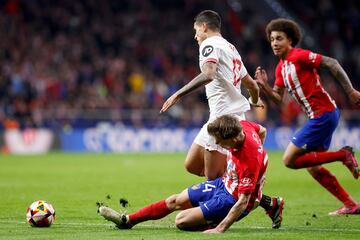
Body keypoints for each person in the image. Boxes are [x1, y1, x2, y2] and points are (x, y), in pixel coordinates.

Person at [98, 115, 284, 232]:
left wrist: (219, 230)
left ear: (234, 139)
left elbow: (243, 202)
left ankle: (213, 221)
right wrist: (260, 162)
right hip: (223, 183)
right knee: (175, 201)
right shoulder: (243, 126)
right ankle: (128, 221)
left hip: (232, 199)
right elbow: (263, 130)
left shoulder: (249, 159)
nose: (218, 145)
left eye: (221, 142)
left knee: (181, 221)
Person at [255, 18, 360, 215]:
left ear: (290, 40)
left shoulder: (299, 56)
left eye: (279, 38)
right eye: (272, 39)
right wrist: (264, 86)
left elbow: (332, 63)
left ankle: (343, 155)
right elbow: (279, 100)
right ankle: (350, 204)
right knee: (314, 167)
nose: (275, 43)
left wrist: (351, 91)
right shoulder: (281, 67)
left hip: (323, 114)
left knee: (289, 160)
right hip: (321, 117)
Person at [160, 10, 264, 180]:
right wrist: (254, 100)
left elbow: (209, 74)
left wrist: (178, 94)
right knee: (192, 164)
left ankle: (243, 194)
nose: (195, 36)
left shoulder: (209, 45)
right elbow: (251, 84)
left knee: (212, 179)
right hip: (224, 116)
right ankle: (233, 182)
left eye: (196, 31)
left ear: (204, 26)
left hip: (223, 120)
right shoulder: (231, 48)